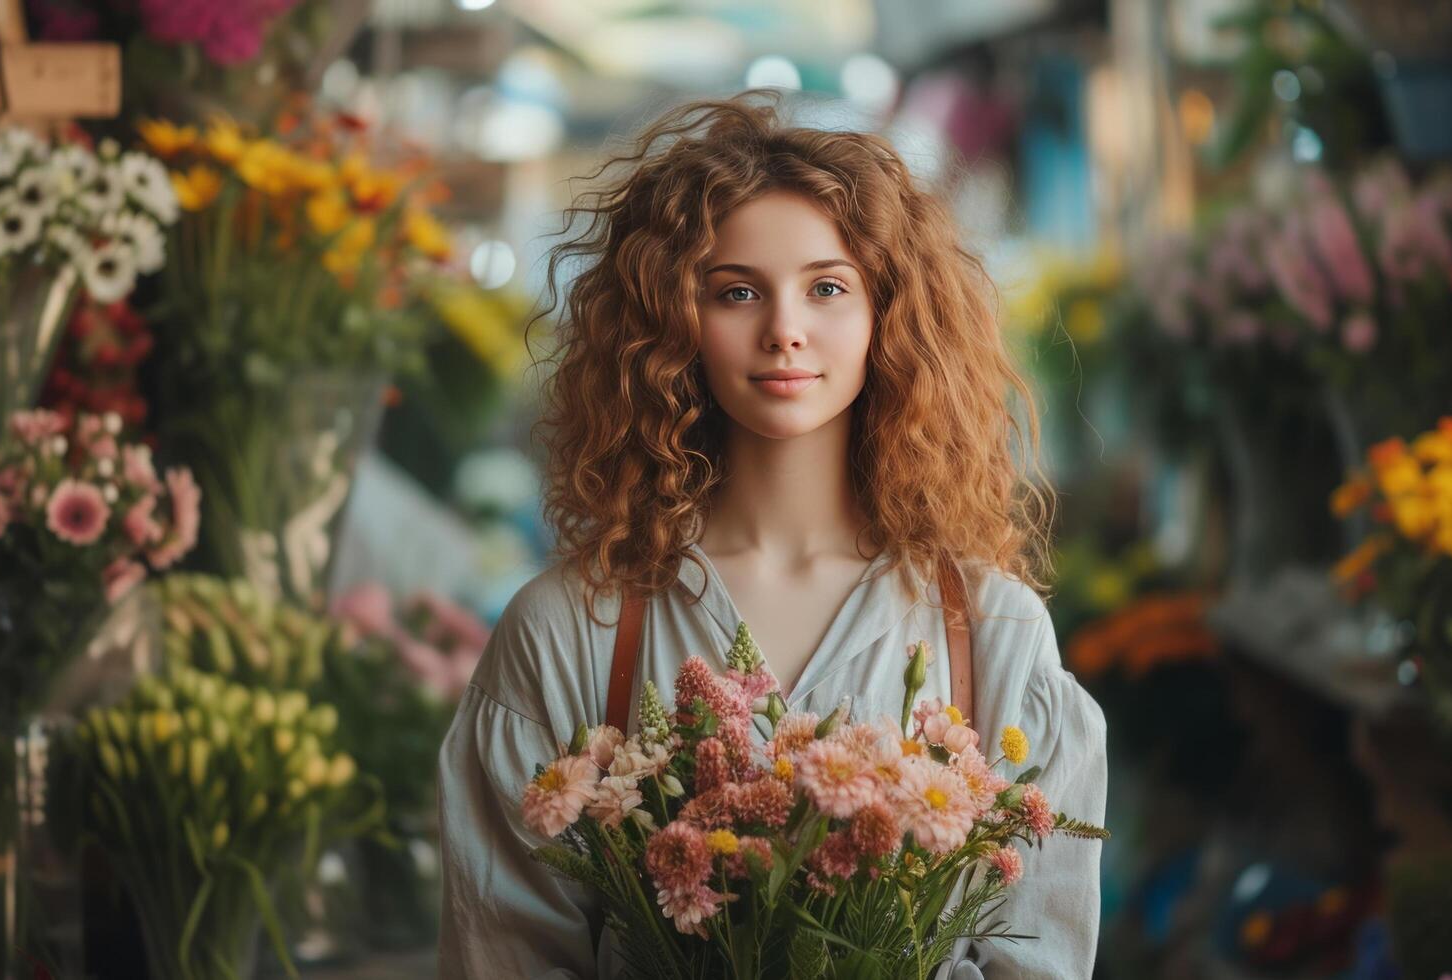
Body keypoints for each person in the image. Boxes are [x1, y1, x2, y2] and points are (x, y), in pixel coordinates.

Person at [437, 93, 1107, 980]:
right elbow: (506, 954)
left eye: (827, 287)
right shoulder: (569, 631)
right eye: (736, 292)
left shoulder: (993, 631)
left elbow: (1038, 956)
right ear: (672, 326)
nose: (784, 328)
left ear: (887, 317)